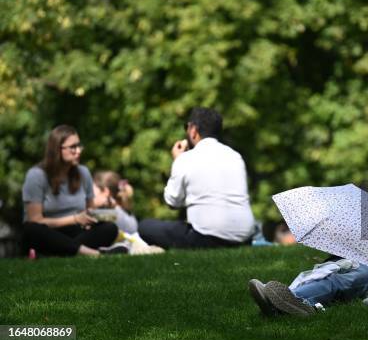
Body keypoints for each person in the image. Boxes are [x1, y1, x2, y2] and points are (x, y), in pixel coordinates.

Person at [139, 107, 256, 249]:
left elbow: (172, 202)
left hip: (206, 239)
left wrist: (177, 160)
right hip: (245, 239)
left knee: (145, 226)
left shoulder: (185, 159)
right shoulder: (236, 156)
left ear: (193, 130)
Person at [21, 125, 120, 256]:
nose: (78, 151)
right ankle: (91, 253)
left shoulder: (83, 173)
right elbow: (35, 220)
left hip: (74, 232)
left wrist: (103, 214)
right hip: (47, 233)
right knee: (31, 229)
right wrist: (75, 219)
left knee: (110, 228)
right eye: (73, 147)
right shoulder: (36, 176)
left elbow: (90, 212)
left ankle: (61, 252)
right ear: (57, 149)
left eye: (79, 146)